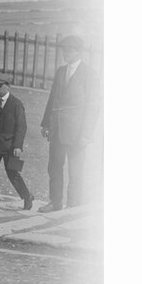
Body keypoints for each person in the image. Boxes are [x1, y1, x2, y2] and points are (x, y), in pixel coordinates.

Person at [38, 35, 100, 211]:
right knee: (54, 166)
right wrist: (45, 123)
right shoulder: (60, 71)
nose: (65, 53)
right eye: (64, 50)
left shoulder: (89, 74)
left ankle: (73, 204)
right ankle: (55, 202)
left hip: (77, 132)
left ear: (78, 51)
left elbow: (93, 107)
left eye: (69, 50)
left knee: (75, 170)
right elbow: (53, 99)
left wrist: (86, 134)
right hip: (57, 129)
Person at [0, 76, 33, 209]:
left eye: (0, 86)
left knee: (12, 172)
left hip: (10, 145)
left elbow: (22, 126)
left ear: (8, 87)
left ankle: (27, 196)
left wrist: (18, 146)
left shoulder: (16, 104)